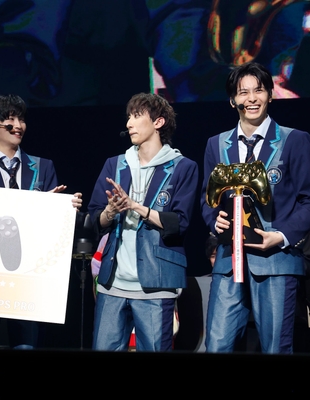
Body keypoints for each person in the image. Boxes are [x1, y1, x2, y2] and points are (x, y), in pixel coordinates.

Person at [0, 94, 82, 400]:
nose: (18, 125)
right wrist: (35, 203)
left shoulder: (43, 167)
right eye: (10, 119)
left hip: (28, 276)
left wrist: (64, 208)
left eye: (22, 119)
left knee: (25, 359)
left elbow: (52, 225)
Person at [201, 61, 310, 354]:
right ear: (233, 100)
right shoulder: (216, 144)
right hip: (228, 262)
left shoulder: (295, 140)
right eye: (243, 92)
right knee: (216, 347)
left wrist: (281, 236)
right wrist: (214, 220)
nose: (251, 98)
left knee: (275, 350)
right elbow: (208, 199)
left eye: (258, 91)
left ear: (270, 94)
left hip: (277, 261)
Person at [87, 92, 199, 352]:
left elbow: (179, 223)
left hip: (156, 284)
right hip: (113, 284)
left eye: (136, 116)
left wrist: (136, 207)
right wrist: (110, 211)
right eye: (128, 117)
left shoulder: (183, 167)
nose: (129, 124)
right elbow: (94, 218)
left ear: (158, 122)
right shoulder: (115, 165)